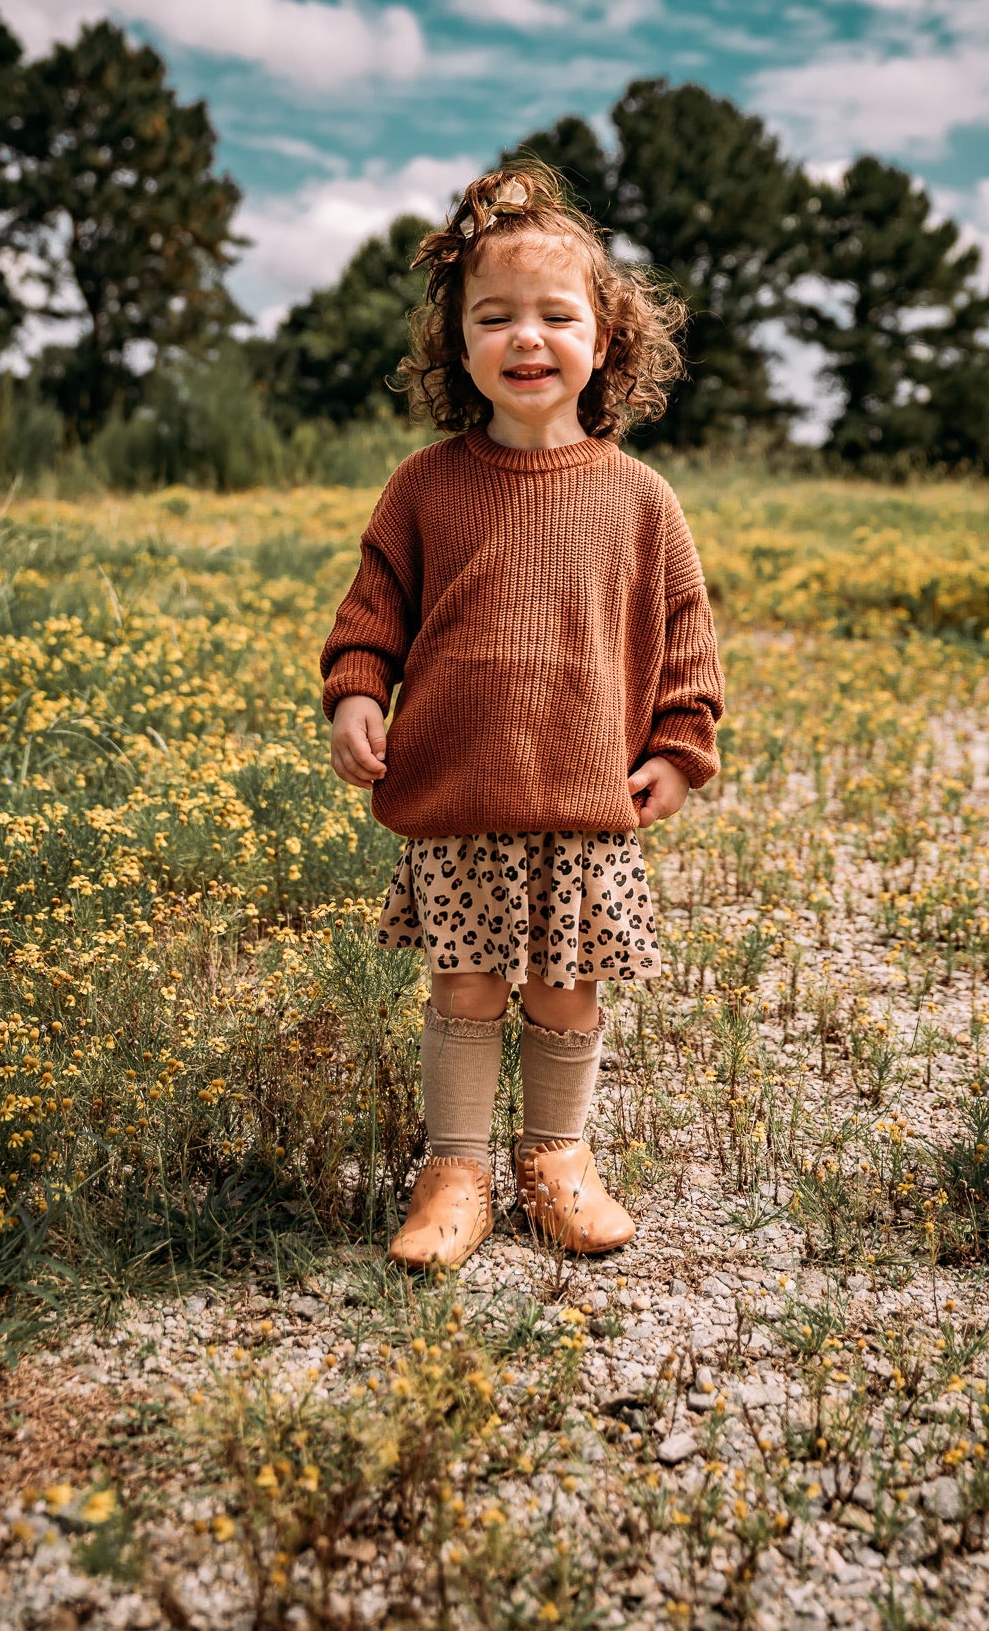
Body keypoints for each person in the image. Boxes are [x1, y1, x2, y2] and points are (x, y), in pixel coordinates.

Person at [320, 162, 724, 1271]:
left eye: (557, 314)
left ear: (608, 340)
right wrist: (357, 693)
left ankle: (555, 1156)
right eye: (493, 316)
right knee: (463, 984)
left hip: (584, 801)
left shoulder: (640, 499)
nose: (526, 336)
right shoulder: (424, 486)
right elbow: (371, 613)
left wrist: (681, 754)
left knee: (563, 986)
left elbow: (685, 642)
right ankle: (455, 1168)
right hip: (459, 793)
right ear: (459, 344)